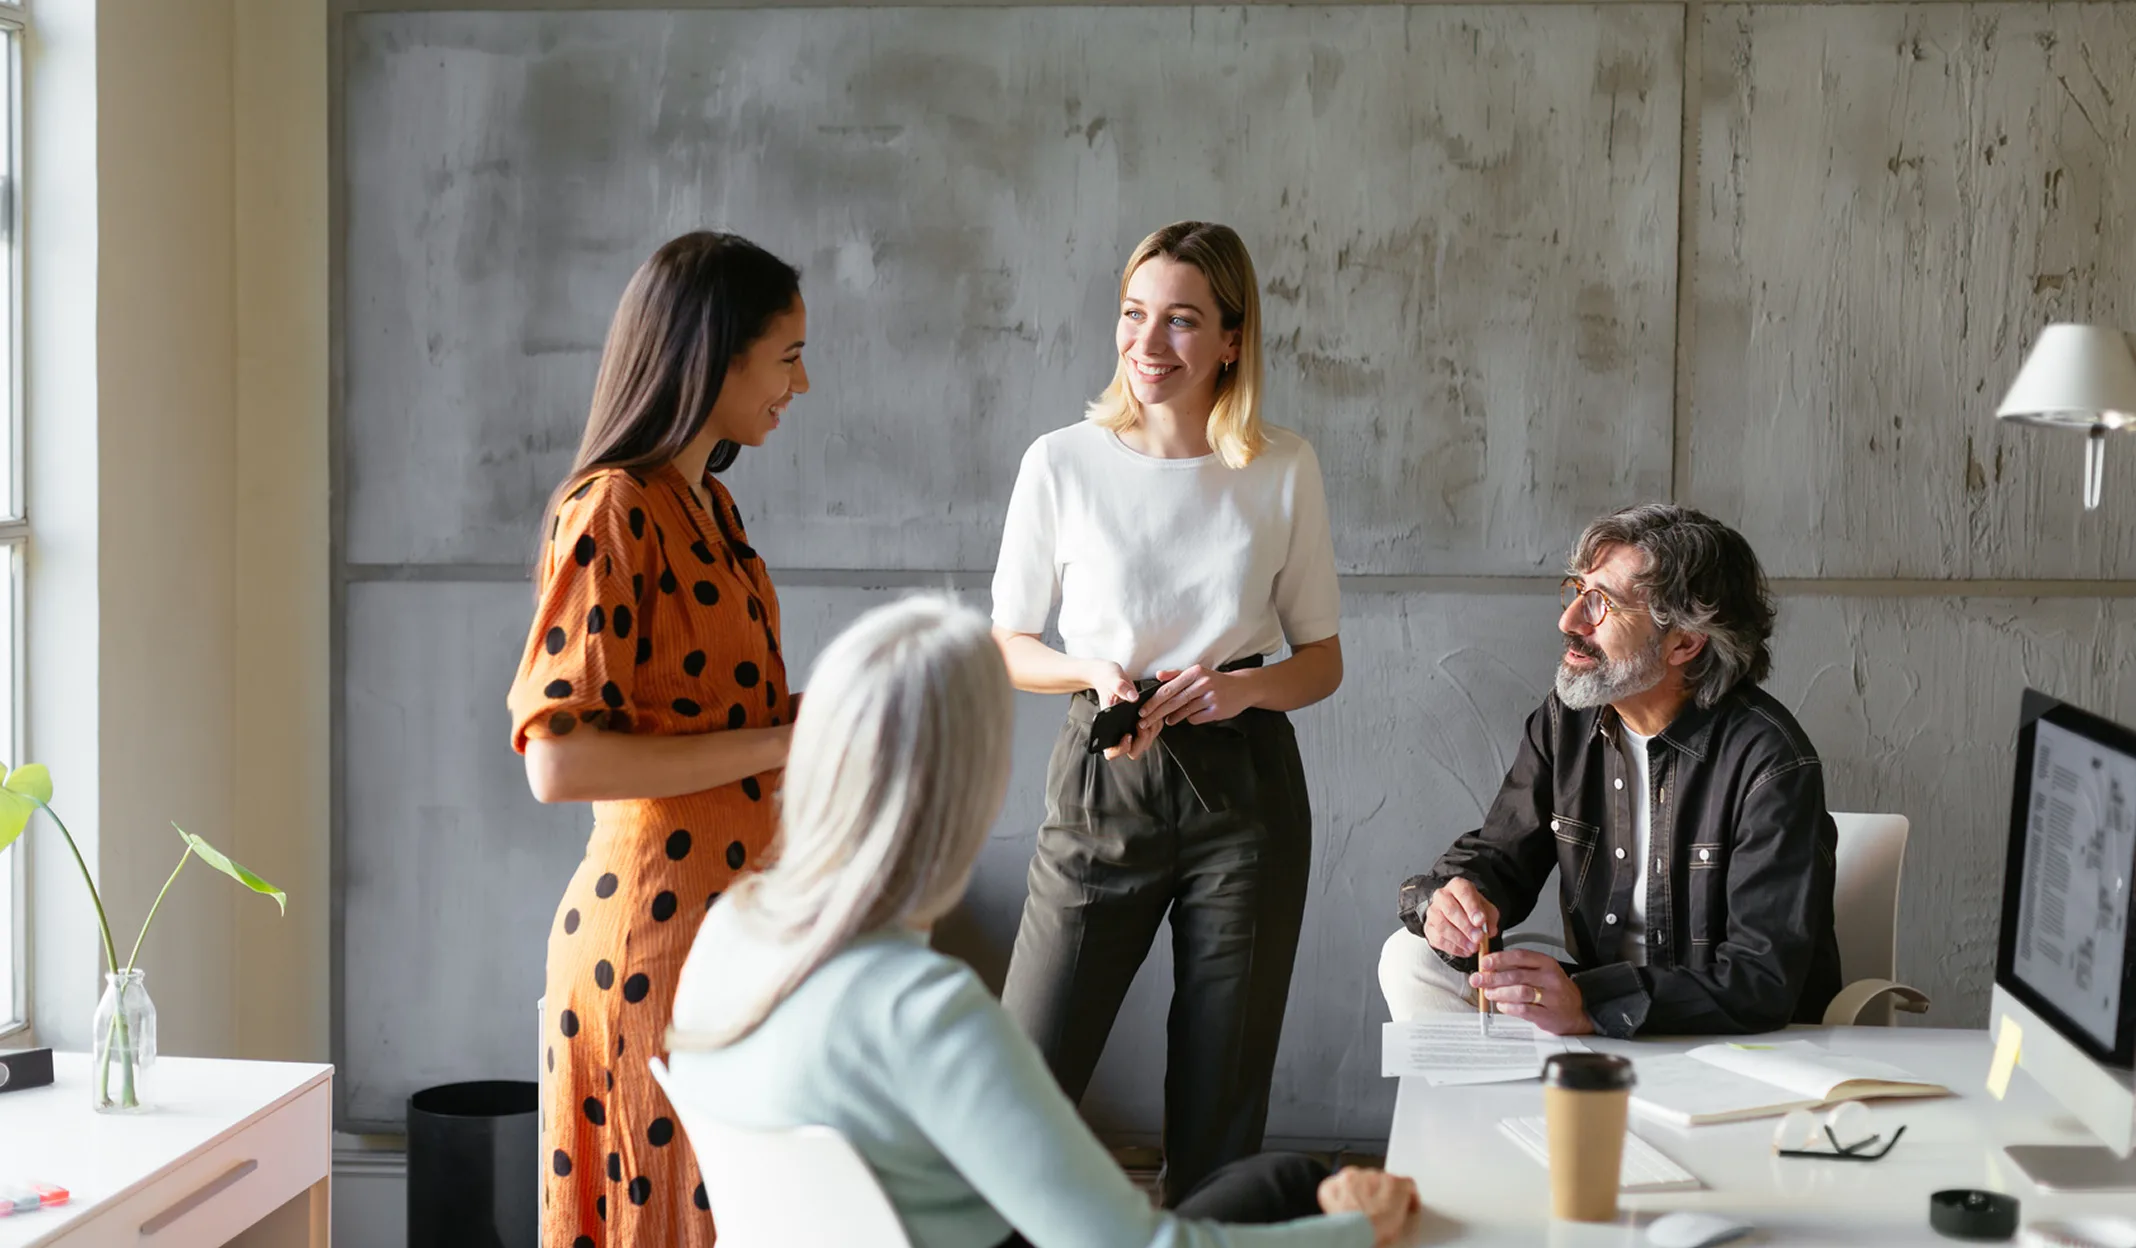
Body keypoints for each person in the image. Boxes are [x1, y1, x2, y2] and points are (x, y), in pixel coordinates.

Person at [665, 596, 1421, 1248]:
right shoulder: (924, 1010)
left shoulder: (729, 933)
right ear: (976, 787)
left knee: (1278, 1182)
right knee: (1302, 1189)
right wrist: (1357, 1230)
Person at [987, 221, 1344, 1204]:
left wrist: (1241, 687)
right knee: (1020, 1084)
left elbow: (1322, 661)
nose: (1147, 343)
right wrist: (1091, 671)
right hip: (1105, 771)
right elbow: (1010, 644)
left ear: (1232, 338)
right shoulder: (1061, 461)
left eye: (1181, 320)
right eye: (1133, 314)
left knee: (1221, 1112)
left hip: (1247, 789)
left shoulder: (1283, 466)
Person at [506, 230, 808, 1246]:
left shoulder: (710, 505)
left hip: (728, 940)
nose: (801, 385)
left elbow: (711, 713)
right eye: (787, 357)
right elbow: (557, 760)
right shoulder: (613, 510)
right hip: (653, 948)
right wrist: (775, 745)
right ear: (715, 356)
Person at [1378, 503, 1843, 1038]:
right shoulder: (1567, 721)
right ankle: (1520, 1092)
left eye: (1602, 604)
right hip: (1596, 1012)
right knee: (1412, 959)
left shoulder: (1769, 761)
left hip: (1724, 1036)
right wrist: (1451, 902)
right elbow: (1500, 857)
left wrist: (1590, 1005)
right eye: (1578, 590)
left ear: (1684, 643)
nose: (1570, 621)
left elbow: (1760, 980)